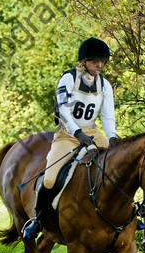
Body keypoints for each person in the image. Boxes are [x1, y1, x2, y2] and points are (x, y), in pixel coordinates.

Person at [22, 37, 118, 239]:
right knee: (49, 177)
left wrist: (112, 137)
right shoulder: (68, 79)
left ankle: (125, 214)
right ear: (83, 61)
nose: (99, 65)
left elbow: (108, 116)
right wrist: (77, 133)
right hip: (67, 134)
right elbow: (64, 111)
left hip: (92, 132)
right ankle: (37, 220)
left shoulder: (105, 85)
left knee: (118, 165)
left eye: (102, 62)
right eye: (95, 62)